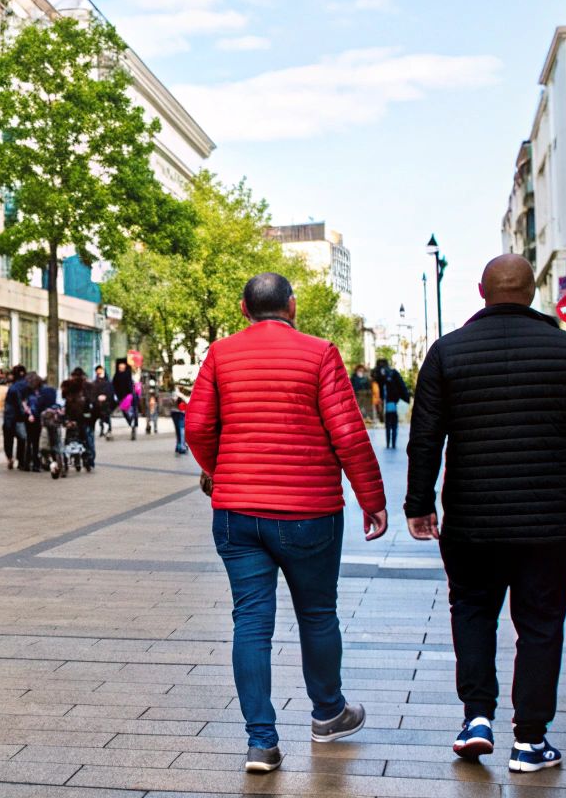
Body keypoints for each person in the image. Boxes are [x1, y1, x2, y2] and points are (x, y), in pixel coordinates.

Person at [405, 255, 566, 774]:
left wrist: (420, 504)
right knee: (541, 625)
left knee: (473, 613)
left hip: (471, 520)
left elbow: (425, 437)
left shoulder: (447, 352)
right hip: (550, 523)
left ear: (482, 290)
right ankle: (530, 740)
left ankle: (476, 718)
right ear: (532, 293)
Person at [186, 272, 388, 772]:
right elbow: (347, 432)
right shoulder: (320, 353)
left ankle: (261, 742)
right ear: (293, 306)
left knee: (250, 621)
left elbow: (197, 425)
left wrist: (217, 469)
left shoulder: (220, 354)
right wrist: (372, 498)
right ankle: (327, 714)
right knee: (317, 614)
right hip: (309, 512)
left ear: (242, 308)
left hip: (236, 513)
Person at [374, 358, 410, 450]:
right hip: (393, 401)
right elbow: (402, 386)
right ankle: (392, 443)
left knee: (390, 423)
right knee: (393, 423)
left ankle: (390, 443)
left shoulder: (383, 374)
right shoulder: (392, 373)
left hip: (389, 401)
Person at [0, 365, 28, 467]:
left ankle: (10, 458)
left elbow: (9, 405)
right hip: (20, 418)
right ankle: (20, 459)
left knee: (8, 439)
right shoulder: (27, 385)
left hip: (10, 417)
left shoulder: (12, 388)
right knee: (22, 439)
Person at [154, 380, 185, 456]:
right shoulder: (177, 393)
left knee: (179, 429)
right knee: (180, 429)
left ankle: (180, 445)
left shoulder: (178, 393)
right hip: (178, 412)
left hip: (178, 412)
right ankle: (180, 445)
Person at [111, 360, 138, 437]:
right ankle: (131, 422)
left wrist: (131, 394)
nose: (121, 369)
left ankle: (133, 423)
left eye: (122, 367)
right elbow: (113, 385)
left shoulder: (128, 375)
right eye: (120, 367)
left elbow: (130, 386)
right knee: (125, 411)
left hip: (128, 397)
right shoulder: (116, 376)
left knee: (130, 410)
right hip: (121, 397)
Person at [92, 365, 113, 437]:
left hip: (106, 402)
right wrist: (97, 398)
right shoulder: (95, 382)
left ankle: (108, 429)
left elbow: (111, 392)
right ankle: (102, 429)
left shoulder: (108, 382)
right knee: (99, 417)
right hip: (98, 403)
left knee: (107, 416)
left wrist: (106, 397)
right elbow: (93, 392)